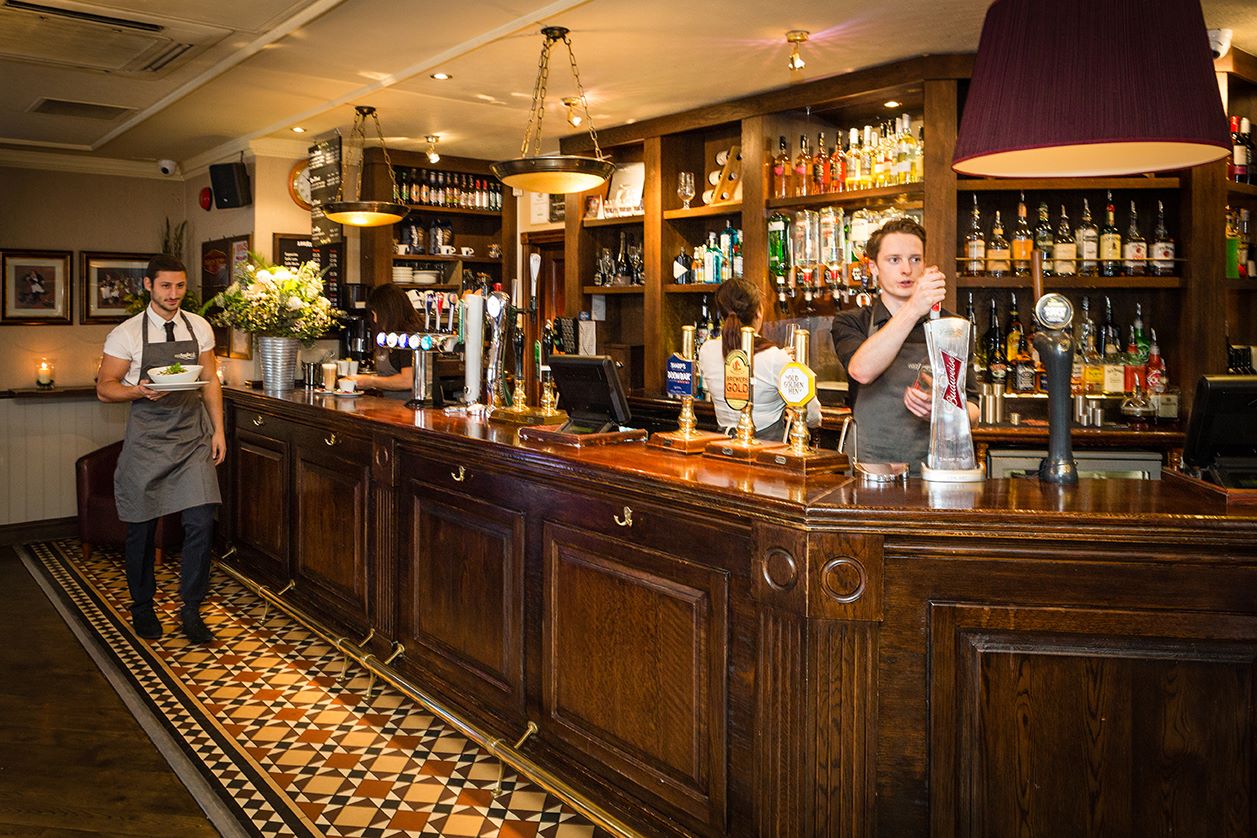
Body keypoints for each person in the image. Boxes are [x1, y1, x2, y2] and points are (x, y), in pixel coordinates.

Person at [97, 255, 224, 644]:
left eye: (180, 286)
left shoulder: (198, 327)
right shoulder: (127, 334)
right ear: (149, 286)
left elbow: (209, 380)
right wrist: (137, 389)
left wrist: (219, 431)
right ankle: (142, 607)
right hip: (148, 440)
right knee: (141, 527)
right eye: (166, 286)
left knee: (202, 522)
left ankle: (191, 609)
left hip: (191, 437)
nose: (174, 294)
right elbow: (105, 387)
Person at [831, 217, 978, 472]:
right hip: (870, 467)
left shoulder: (952, 327)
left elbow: (974, 408)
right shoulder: (851, 322)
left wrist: (943, 413)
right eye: (894, 260)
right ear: (874, 268)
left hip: (936, 468)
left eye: (915, 259)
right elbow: (861, 370)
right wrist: (914, 308)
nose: (906, 270)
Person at [698, 279, 821, 440]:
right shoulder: (774, 357)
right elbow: (812, 416)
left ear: (721, 314)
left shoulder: (706, 350)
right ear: (759, 312)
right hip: (766, 452)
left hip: (723, 447)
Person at [343, 283, 422, 399]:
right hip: (392, 406)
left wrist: (371, 381)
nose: (375, 320)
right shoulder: (389, 335)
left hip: (410, 407)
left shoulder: (410, 336)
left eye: (376, 314)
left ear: (389, 311)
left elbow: (408, 380)